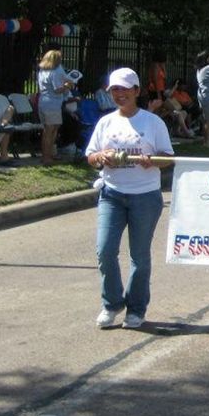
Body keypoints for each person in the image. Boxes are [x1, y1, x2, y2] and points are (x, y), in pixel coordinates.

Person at [85, 67, 174, 330]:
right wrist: (100, 158)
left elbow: (167, 158)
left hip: (145, 197)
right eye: (115, 90)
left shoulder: (152, 122)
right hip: (112, 194)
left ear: (137, 91)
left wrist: (151, 161)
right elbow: (91, 157)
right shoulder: (106, 123)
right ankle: (112, 304)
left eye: (125, 89)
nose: (120, 94)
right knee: (105, 251)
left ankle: (136, 309)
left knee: (139, 256)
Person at [37, 49, 76, 165]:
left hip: (43, 102)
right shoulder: (55, 71)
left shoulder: (42, 71)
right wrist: (67, 86)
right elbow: (57, 89)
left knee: (48, 130)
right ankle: (46, 157)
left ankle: (48, 154)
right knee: (50, 131)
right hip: (52, 103)